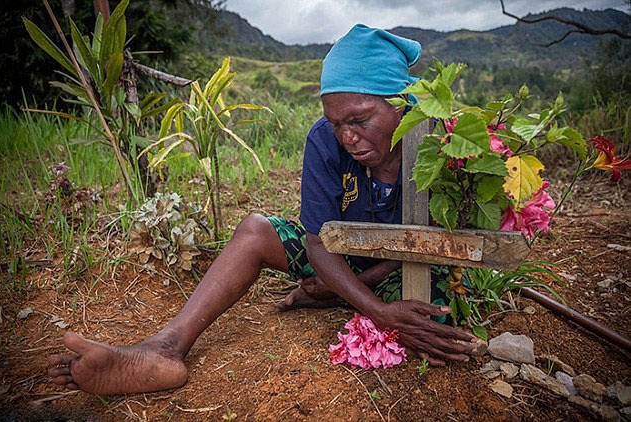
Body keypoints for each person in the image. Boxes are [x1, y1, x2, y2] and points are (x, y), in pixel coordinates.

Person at [47, 24, 479, 395]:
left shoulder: (439, 145)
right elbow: (317, 244)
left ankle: (341, 297)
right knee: (256, 229)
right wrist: (375, 309)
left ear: (399, 103)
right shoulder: (324, 142)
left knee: (433, 324)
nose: (347, 136)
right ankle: (164, 349)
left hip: (406, 265)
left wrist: (342, 291)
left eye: (360, 120)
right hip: (339, 258)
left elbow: (437, 244)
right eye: (336, 122)